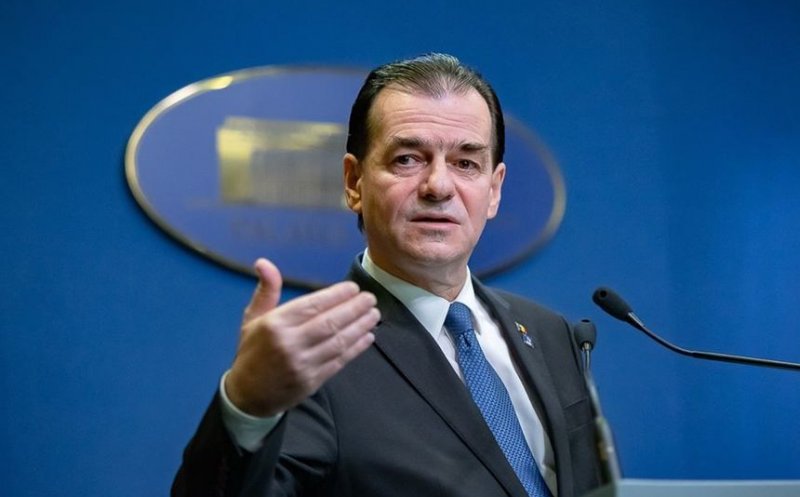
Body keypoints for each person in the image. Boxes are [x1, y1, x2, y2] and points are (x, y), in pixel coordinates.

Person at [172, 53, 602, 497]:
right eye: (407, 159)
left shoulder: (551, 335)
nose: (439, 186)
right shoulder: (317, 354)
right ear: (354, 182)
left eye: (465, 163)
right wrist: (247, 406)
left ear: (493, 190)